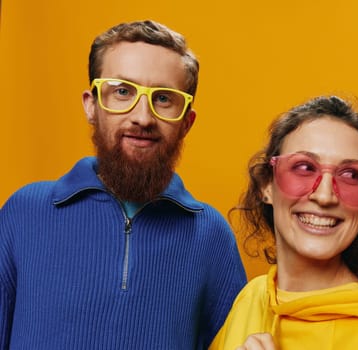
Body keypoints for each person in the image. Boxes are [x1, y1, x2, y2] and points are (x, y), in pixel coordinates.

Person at [0, 20, 246, 349]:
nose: (142, 117)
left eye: (163, 98)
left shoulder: (212, 236)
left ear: (186, 123)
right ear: (92, 105)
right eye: (123, 92)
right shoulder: (24, 213)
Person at [210, 96, 358, 350]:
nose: (325, 196)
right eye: (304, 168)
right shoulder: (251, 299)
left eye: (350, 175)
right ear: (267, 186)